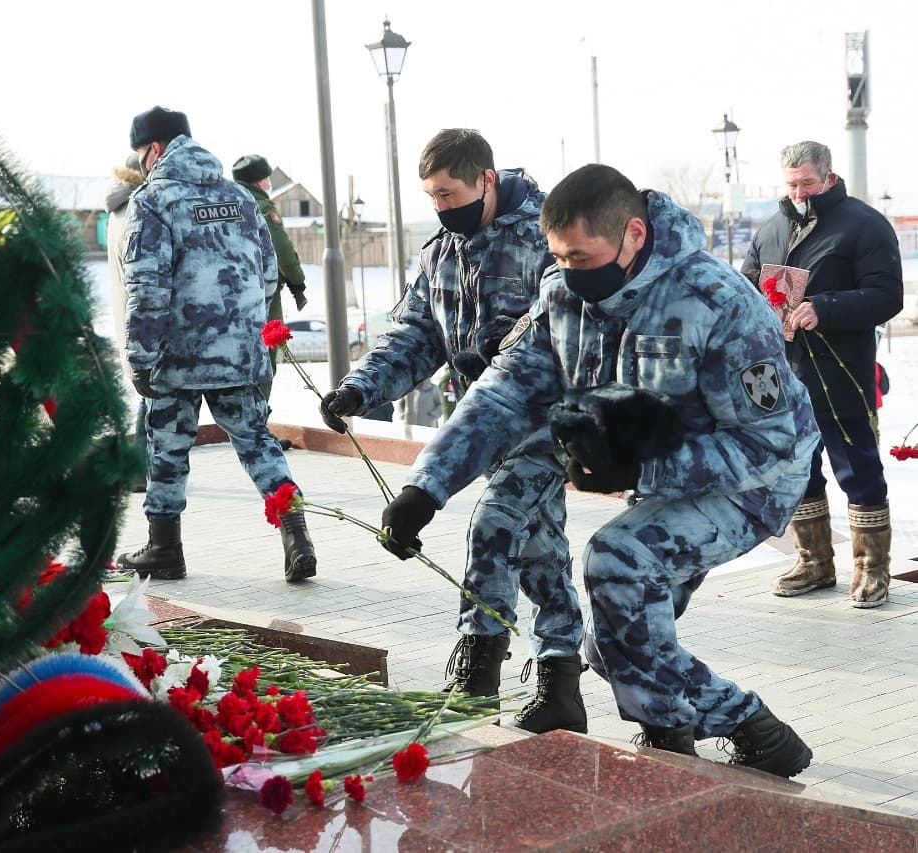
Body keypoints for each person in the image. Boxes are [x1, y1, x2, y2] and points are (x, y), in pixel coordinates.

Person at [378, 163, 821, 778]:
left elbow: (768, 443)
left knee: (617, 562)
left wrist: (644, 465)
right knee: (619, 644)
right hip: (672, 480)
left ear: (633, 234)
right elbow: (506, 393)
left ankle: (689, 735)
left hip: (754, 480)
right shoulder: (562, 294)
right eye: (558, 257)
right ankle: (755, 736)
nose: (568, 271)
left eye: (581, 257)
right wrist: (426, 487)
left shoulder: (716, 301)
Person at [318, 128, 587, 735]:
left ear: (486, 180)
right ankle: (560, 681)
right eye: (430, 195)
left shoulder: (546, 239)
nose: (440, 205)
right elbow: (416, 336)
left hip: (548, 419)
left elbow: (581, 325)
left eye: (448, 191)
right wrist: (361, 389)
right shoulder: (441, 252)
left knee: (493, 526)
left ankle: (476, 677)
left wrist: (522, 340)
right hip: (481, 422)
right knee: (540, 549)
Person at [115, 106, 317, 584]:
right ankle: (298, 537)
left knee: (166, 448)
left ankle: (165, 548)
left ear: (155, 150)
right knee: (257, 443)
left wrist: (139, 358)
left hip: (177, 355)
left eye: (142, 154)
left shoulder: (153, 200)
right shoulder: (240, 196)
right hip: (240, 353)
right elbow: (268, 275)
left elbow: (147, 287)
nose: (142, 164)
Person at [743, 141, 903, 608]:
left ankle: (872, 570)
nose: (798, 192)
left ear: (829, 177)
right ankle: (814, 562)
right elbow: (746, 286)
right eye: (791, 183)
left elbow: (887, 296)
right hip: (781, 377)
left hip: (841, 374)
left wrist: (824, 308)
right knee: (797, 471)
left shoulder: (864, 224)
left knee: (859, 471)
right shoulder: (770, 229)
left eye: (807, 183)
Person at [231, 154, 307, 408]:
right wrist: (298, 283)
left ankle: (245, 420)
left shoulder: (230, 204)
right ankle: (258, 421)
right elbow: (281, 249)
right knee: (265, 354)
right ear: (260, 182)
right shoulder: (262, 207)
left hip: (233, 294)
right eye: (266, 179)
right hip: (264, 291)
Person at [105, 152, 147, 491]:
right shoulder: (137, 207)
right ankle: (136, 470)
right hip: (143, 318)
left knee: (149, 397)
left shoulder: (118, 207)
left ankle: (136, 469)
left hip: (128, 314)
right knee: (151, 398)